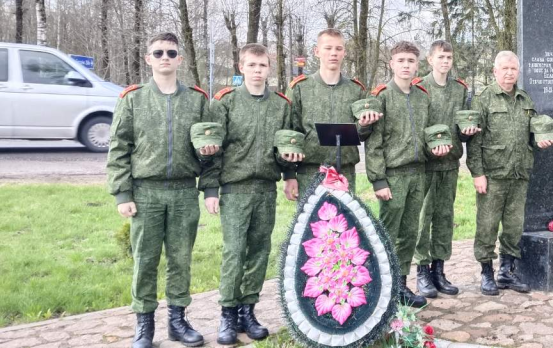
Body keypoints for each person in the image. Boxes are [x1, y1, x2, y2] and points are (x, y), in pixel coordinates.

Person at [106, 33, 219, 348]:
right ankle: (144, 325)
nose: (165, 57)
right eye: (158, 53)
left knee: (181, 259)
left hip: (184, 191)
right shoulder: (133, 99)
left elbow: (210, 150)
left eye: (171, 52)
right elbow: (119, 148)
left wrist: (210, 187)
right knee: (145, 259)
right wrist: (122, 194)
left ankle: (178, 322)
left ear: (179, 59)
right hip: (146, 192)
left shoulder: (197, 100)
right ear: (148, 59)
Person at [207, 43, 304, 344]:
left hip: (265, 188)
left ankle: (248, 311)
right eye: (251, 65)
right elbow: (213, 150)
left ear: (269, 69)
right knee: (234, 252)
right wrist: (210, 189)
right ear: (241, 67)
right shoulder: (225, 102)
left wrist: (289, 174)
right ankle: (228, 313)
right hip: (235, 188)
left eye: (262, 66)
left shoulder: (281, 105)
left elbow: (286, 145)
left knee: (260, 251)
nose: (257, 71)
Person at [366, 41, 451, 308]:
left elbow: (427, 134)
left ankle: (401, 286)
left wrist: (435, 149)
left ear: (418, 65)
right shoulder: (382, 96)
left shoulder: (422, 97)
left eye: (411, 61)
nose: (406, 65)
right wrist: (378, 180)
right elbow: (374, 144)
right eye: (401, 60)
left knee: (409, 233)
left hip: (418, 173)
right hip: (393, 176)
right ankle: (381, 288)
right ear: (391, 63)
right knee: (387, 233)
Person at [467, 51, 553, 296]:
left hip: (519, 173)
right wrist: (477, 173)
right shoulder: (483, 99)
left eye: (513, 69)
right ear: (495, 71)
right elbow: (474, 141)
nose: (509, 73)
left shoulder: (525, 99)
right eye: (504, 68)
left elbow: (531, 133)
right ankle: (487, 272)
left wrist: (540, 141)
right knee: (487, 225)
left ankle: (507, 271)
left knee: (514, 226)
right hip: (493, 174)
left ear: (518, 71)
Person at [411, 41, 478, 298]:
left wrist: (467, 132)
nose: (445, 61)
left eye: (449, 57)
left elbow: (463, 127)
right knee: (423, 217)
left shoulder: (460, 89)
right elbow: (415, 126)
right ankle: (422, 270)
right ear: (430, 60)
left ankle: (439, 269)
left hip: (449, 163)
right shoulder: (419, 88)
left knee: (444, 218)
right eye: (440, 57)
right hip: (426, 165)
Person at [286, 29, 380, 198]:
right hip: (310, 172)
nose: (333, 53)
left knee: (344, 216)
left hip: (345, 172)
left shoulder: (356, 89)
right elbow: (290, 132)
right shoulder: (300, 88)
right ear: (317, 51)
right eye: (328, 48)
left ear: (344, 52)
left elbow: (362, 134)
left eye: (338, 48)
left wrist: (363, 125)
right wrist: (289, 174)